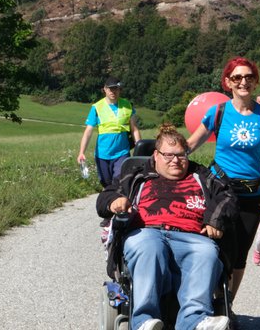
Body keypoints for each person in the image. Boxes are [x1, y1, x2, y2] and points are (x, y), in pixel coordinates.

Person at [96, 124, 237, 330]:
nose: (175, 160)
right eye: (168, 155)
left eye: (181, 155)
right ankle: (144, 321)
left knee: (206, 251)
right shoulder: (136, 175)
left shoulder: (201, 175)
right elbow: (105, 197)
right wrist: (114, 201)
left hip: (192, 236)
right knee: (149, 247)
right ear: (156, 155)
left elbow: (228, 197)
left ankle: (194, 320)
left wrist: (215, 219)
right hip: (148, 232)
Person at [187, 56, 260, 299]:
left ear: (255, 82)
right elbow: (192, 143)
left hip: (252, 195)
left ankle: (227, 305)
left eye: (248, 77)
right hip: (220, 191)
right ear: (228, 82)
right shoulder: (218, 112)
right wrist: (163, 156)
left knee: (240, 254)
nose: (243, 81)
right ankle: (206, 298)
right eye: (237, 77)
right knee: (214, 247)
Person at [78, 76, 141, 187]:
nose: (113, 91)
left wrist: (139, 145)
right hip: (103, 153)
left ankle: (120, 201)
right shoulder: (97, 107)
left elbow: (134, 128)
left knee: (119, 179)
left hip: (122, 152)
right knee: (106, 182)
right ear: (105, 89)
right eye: (110, 89)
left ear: (120, 90)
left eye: (116, 89)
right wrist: (81, 152)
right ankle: (109, 200)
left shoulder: (127, 105)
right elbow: (88, 131)